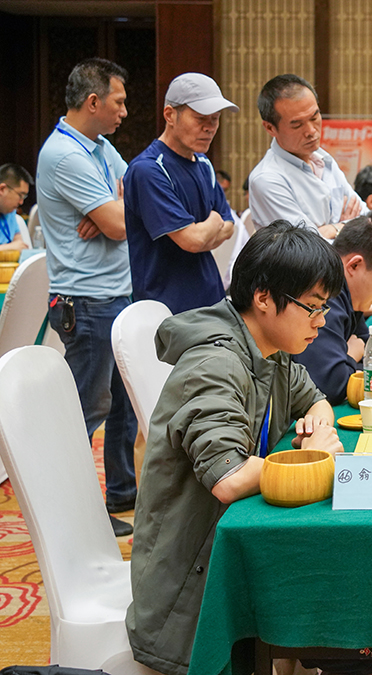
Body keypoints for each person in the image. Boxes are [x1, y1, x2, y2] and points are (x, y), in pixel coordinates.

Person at [125, 221, 349, 674]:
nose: (321, 323)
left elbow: (318, 400)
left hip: (229, 551)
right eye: (312, 308)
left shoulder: (272, 349)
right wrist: (317, 455)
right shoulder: (216, 364)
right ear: (264, 297)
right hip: (191, 588)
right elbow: (228, 480)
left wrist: (317, 423)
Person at [35, 57, 137, 536]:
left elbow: (136, 193)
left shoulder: (98, 146)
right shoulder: (65, 154)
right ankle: (67, 511)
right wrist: (112, 213)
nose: (123, 111)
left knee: (122, 406)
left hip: (114, 295)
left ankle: (121, 495)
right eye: (118, 101)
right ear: (93, 101)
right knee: (86, 410)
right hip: (87, 301)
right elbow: (120, 223)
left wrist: (114, 207)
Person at [123, 72, 238, 314]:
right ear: (170, 115)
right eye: (200, 119)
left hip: (211, 300)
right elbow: (192, 240)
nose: (209, 128)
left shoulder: (204, 164)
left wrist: (205, 231)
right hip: (166, 309)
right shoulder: (149, 169)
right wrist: (213, 221)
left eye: (215, 119)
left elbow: (230, 227)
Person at [295, 211, 372, 404]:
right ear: (354, 266)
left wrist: (351, 357)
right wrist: (352, 354)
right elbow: (330, 386)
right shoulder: (323, 294)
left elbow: (368, 350)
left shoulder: (349, 295)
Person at [249, 74, 365, 239]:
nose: (311, 131)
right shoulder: (267, 179)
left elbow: (365, 217)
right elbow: (308, 246)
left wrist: (332, 229)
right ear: (270, 128)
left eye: (314, 117)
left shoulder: (324, 160)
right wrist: (342, 228)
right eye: (297, 125)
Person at [0, 164, 32, 251]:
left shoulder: (10, 212)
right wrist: (7, 248)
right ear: (2, 189)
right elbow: (15, 246)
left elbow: (19, 244)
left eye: (24, 197)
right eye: (20, 195)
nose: (21, 202)